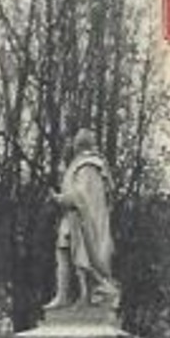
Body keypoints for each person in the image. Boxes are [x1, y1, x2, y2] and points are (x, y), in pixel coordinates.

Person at [45, 128, 120, 311]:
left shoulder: (88, 165)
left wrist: (59, 199)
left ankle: (86, 296)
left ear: (79, 145)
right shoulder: (81, 164)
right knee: (63, 252)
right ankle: (62, 296)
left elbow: (82, 196)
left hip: (82, 220)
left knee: (80, 257)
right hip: (72, 218)